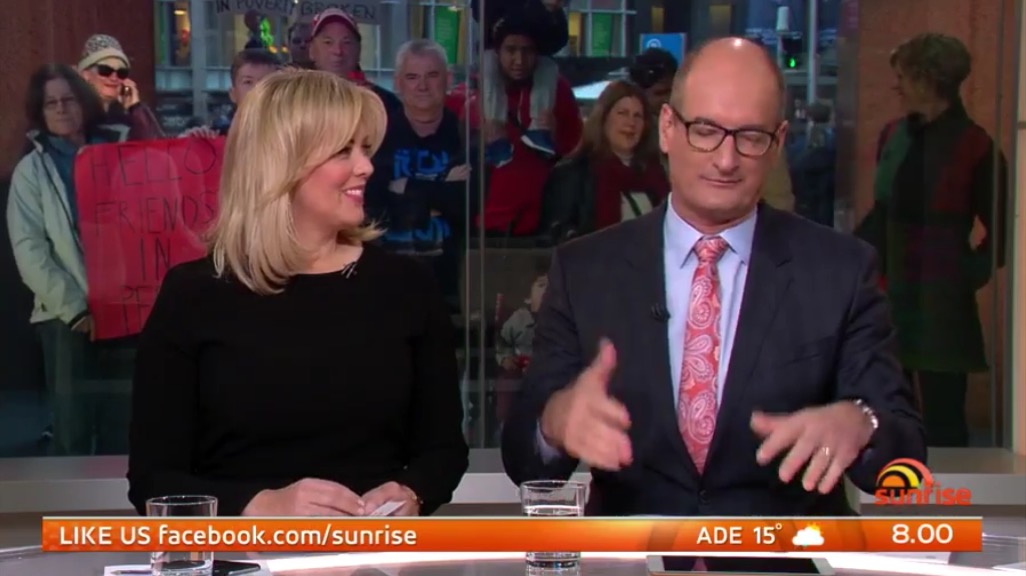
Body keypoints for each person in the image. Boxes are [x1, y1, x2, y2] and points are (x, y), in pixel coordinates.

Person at [500, 38, 925, 516]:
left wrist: (862, 423)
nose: (726, 160)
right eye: (705, 131)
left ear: (778, 143)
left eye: (751, 137)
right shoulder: (585, 270)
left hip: (785, 552)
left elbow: (907, 459)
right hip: (635, 552)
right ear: (667, 128)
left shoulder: (840, 271)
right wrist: (555, 422)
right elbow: (522, 460)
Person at [127, 70, 469, 517]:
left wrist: (412, 491)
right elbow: (153, 479)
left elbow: (443, 451)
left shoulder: (407, 286)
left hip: (374, 549)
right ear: (281, 164)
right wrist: (260, 506)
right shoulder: (194, 295)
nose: (366, 166)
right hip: (242, 552)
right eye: (344, 150)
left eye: (365, 148)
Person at [856, 33, 1008, 447]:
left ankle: (947, 485)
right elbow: (880, 212)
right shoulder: (893, 135)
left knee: (944, 415)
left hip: (942, 299)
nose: (897, 86)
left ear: (929, 80)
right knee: (888, 405)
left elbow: (1001, 229)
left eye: (904, 76)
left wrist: (967, 274)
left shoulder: (975, 146)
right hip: (889, 288)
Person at [7, 64, 131, 455]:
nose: (61, 109)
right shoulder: (31, 171)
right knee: (72, 428)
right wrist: (75, 309)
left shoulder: (121, 152)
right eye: (51, 103)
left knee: (124, 423)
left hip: (126, 310)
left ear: (84, 102)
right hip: (65, 317)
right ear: (40, 112)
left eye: (69, 99)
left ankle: (122, 497)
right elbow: (30, 249)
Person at [366, 39, 474, 312]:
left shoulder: (466, 137)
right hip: (386, 281)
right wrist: (441, 191)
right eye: (412, 77)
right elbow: (372, 205)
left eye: (432, 75)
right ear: (398, 83)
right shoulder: (377, 138)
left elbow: (468, 206)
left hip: (452, 285)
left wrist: (405, 189)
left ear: (448, 79)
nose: (422, 86)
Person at [541, 80, 669, 243]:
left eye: (638, 116)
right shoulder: (573, 174)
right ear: (604, 118)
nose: (631, 123)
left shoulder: (656, 174)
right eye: (622, 113)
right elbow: (559, 237)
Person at [77, 34, 164, 140]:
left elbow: (156, 146)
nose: (114, 78)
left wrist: (135, 108)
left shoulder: (128, 119)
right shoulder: (73, 115)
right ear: (86, 75)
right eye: (105, 70)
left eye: (121, 72)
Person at [182, 48, 281, 137]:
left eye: (265, 82)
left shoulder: (288, 136)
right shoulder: (216, 135)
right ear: (233, 94)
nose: (256, 89)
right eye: (248, 82)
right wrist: (187, 143)